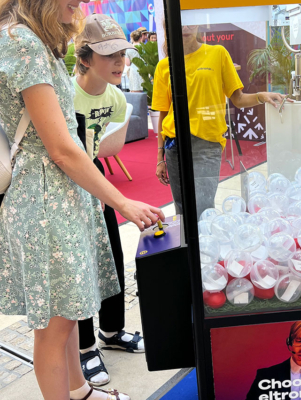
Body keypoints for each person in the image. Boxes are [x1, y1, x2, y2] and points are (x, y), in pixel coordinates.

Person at [0, 1, 164, 400]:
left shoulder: (32, 39)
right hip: (46, 197)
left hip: (57, 192)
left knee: (68, 311)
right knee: (54, 328)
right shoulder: (22, 41)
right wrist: (123, 202)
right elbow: (60, 148)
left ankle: (80, 390)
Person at [73, 14, 145, 387]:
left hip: (94, 173)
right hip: (67, 181)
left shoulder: (116, 96)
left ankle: (112, 331)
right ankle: (85, 348)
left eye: (122, 53)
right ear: (85, 59)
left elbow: (103, 147)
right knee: (81, 266)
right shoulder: (64, 92)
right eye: (109, 54)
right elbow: (62, 153)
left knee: (112, 256)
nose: (120, 61)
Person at [152, 24, 285, 219]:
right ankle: (187, 240)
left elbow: (238, 98)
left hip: (207, 143)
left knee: (203, 208)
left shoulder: (217, 53)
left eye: (190, 21)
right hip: (174, 144)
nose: (185, 27)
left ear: (198, 24)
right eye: (180, 23)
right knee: (181, 209)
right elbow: (164, 113)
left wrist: (261, 96)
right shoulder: (164, 66)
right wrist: (159, 158)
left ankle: (204, 239)